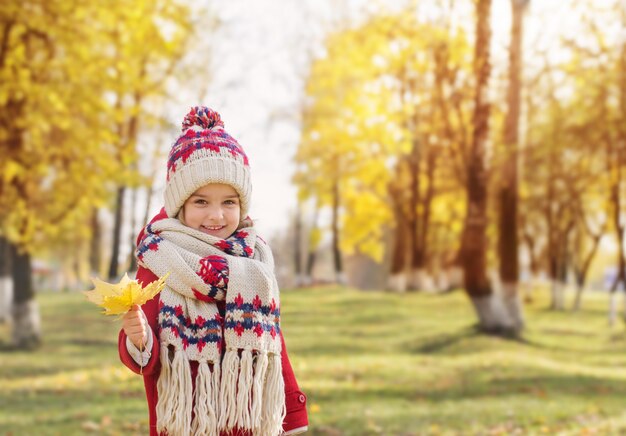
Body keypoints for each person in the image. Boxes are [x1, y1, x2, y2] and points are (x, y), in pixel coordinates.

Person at [118, 106, 309, 436]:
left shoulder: (254, 263)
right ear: (181, 205)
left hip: (245, 419)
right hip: (187, 420)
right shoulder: (160, 258)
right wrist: (138, 339)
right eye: (201, 202)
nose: (216, 216)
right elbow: (144, 354)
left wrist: (291, 415)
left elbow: (273, 344)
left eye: (229, 202)